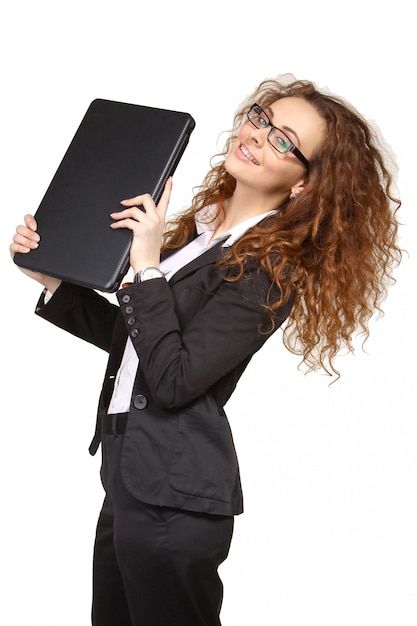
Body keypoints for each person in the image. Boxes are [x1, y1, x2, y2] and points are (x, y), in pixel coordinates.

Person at [9, 74, 401, 626]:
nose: (259, 135)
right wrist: (52, 280)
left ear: (305, 186)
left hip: (174, 494)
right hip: (129, 474)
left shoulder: (271, 269)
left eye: (284, 140)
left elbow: (175, 378)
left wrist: (145, 265)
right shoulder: (200, 238)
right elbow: (137, 345)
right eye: (263, 118)